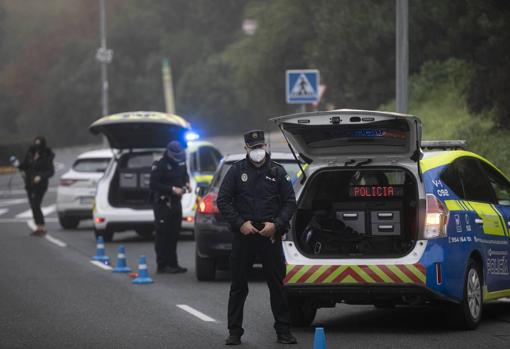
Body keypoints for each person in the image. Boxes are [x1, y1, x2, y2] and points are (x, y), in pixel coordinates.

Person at [217, 130, 298, 345]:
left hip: (270, 236)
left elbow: (290, 202)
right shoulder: (236, 171)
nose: (258, 151)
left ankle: (283, 331)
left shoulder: (277, 172)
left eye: (260, 147)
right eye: (253, 148)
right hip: (245, 235)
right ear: (246, 149)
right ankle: (234, 332)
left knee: (277, 286)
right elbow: (223, 200)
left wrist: (277, 225)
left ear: (265, 147)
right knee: (238, 285)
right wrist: (240, 223)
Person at [149, 140, 191, 274]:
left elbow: (184, 174)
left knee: (174, 233)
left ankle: (173, 263)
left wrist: (187, 183)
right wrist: (172, 189)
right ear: (168, 152)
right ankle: (162, 264)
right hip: (163, 203)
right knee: (163, 234)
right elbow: (153, 184)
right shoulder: (160, 165)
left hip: (175, 203)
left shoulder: (181, 162)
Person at [18, 136, 55, 236]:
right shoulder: (30, 153)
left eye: (39, 143)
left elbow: (50, 171)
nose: (37, 145)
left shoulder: (47, 155)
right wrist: (19, 165)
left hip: (40, 185)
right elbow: (25, 165)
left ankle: (41, 226)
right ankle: (38, 226)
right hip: (29, 183)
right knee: (33, 205)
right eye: (36, 143)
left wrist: (40, 176)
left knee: (36, 204)